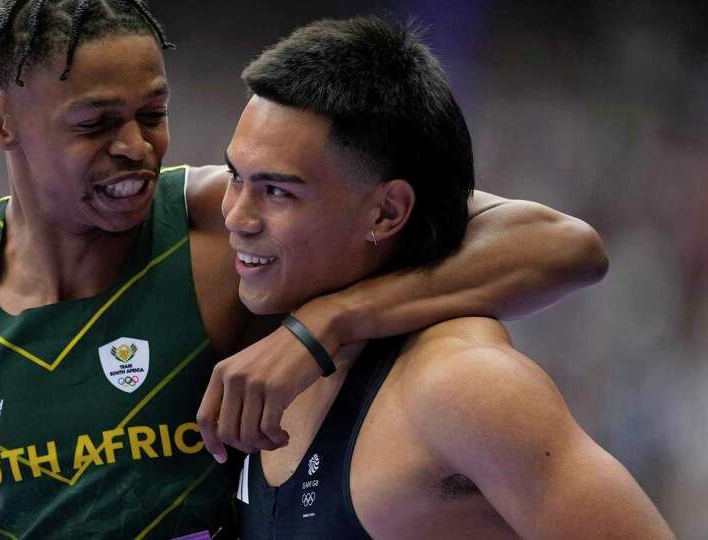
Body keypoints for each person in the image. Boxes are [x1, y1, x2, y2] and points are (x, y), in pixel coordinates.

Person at [0, 2, 609, 538]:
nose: (137, 146)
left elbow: (562, 244)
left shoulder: (216, 226)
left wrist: (322, 325)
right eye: (97, 123)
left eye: (154, 113)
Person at [223, 16, 673, 539]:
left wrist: (333, 318)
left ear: (387, 213)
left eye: (278, 192)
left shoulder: (465, 386)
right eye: (235, 176)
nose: (235, 216)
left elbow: (570, 242)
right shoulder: (267, 317)